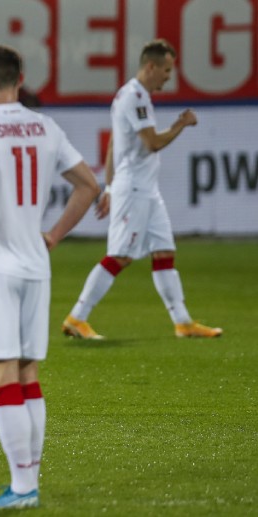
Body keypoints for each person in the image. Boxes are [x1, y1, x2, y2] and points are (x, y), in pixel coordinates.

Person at [0, 45, 99, 510]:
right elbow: (89, 186)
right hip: (35, 263)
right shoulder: (46, 127)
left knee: (1, 372)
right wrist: (53, 235)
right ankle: (26, 484)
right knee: (28, 373)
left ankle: (23, 488)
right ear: (21, 79)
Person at [61, 39, 222, 340]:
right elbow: (152, 143)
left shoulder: (130, 94)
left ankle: (183, 322)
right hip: (135, 189)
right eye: (166, 70)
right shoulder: (135, 97)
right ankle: (77, 317)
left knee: (164, 252)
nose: (169, 77)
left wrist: (109, 187)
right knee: (120, 256)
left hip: (145, 190)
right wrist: (181, 124)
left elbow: (114, 144)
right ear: (151, 66)